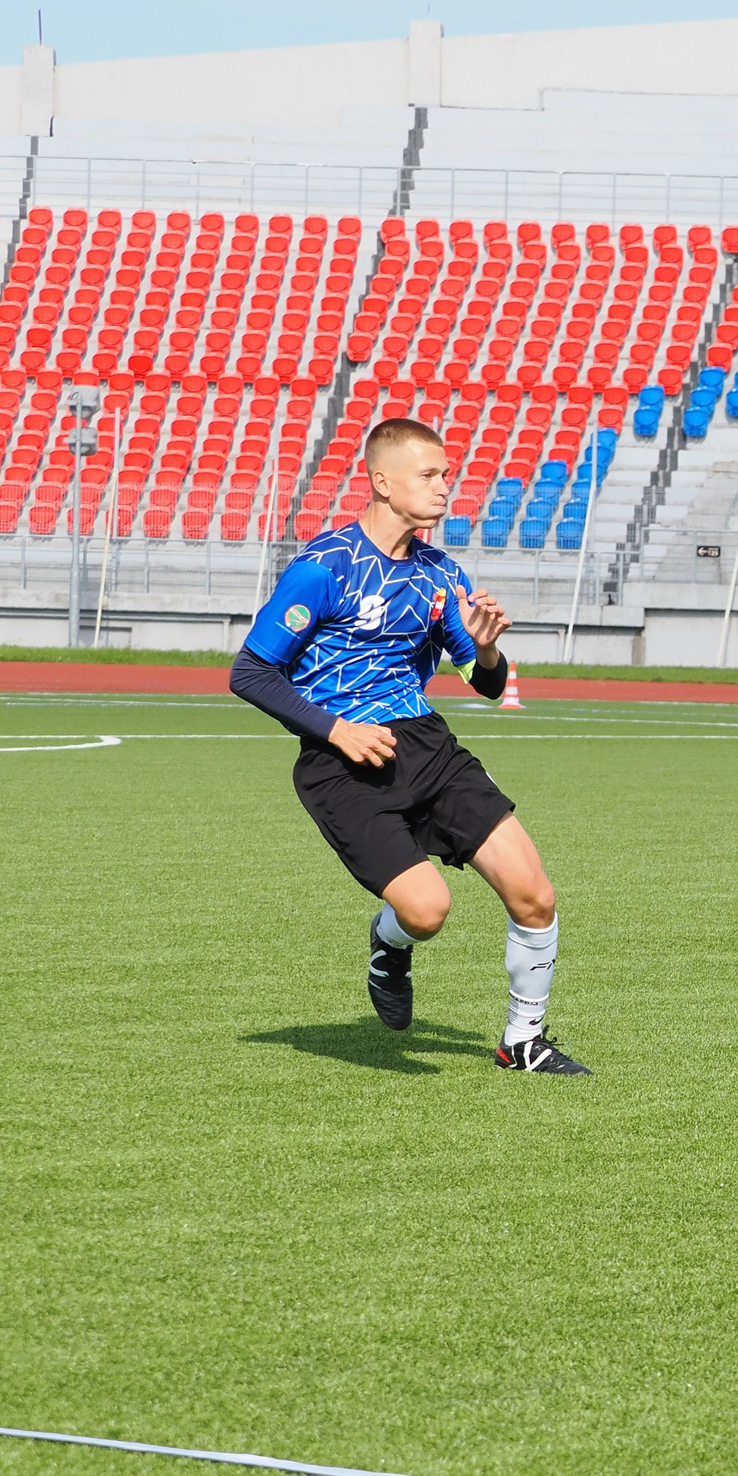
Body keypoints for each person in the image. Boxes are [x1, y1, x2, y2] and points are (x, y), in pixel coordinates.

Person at [230, 416, 587, 1076]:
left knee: (534, 891)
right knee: (426, 911)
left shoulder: (440, 572)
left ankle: (523, 1041)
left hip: (426, 743)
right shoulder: (323, 567)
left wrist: (484, 647)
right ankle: (389, 945)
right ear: (382, 482)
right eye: (431, 474)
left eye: (447, 474)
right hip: (340, 761)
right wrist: (335, 729)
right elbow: (249, 672)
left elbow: (484, 684)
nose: (446, 487)